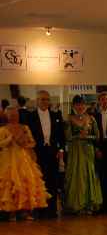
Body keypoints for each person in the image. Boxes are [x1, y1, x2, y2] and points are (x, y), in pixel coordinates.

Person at [0, 106, 50, 221]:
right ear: (7, 116)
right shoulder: (3, 129)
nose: (14, 117)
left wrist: (25, 143)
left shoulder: (25, 127)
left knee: (25, 183)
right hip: (8, 159)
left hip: (24, 159)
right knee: (9, 184)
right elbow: (1, 144)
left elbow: (33, 142)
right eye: (11, 115)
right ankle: (10, 211)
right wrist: (10, 139)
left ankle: (24, 210)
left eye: (15, 114)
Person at [27, 90, 65, 218]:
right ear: (37, 101)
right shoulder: (30, 117)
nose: (45, 102)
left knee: (53, 180)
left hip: (53, 152)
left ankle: (52, 209)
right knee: (39, 181)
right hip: (37, 152)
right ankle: (39, 209)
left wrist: (61, 150)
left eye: (47, 99)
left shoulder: (56, 115)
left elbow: (61, 136)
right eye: (42, 99)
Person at [63, 95, 103, 214]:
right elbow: (68, 137)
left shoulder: (91, 119)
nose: (80, 107)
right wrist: (78, 136)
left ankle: (89, 204)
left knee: (89, 174)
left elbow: (97, 136)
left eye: (82, 104)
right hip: (75, 151)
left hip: (88, 150)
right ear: (73, 106)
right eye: (78, 104)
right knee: (77, 175)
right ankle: (77, 205)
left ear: (86, 106)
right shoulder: (69, 119)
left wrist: (87, 136)